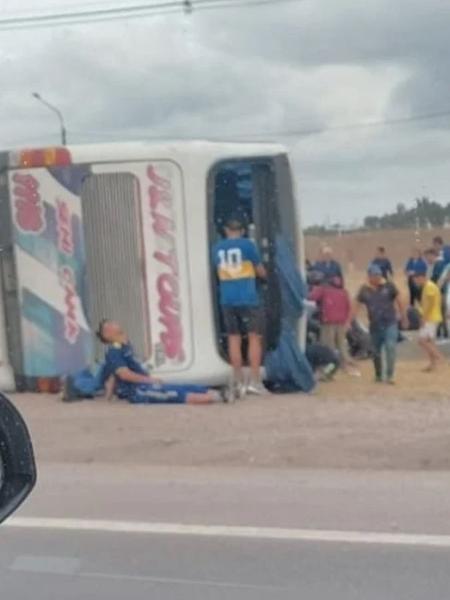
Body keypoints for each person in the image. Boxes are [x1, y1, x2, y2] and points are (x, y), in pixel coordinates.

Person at [95, 320, 226, 404]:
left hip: (145, 384)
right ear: (107, 335)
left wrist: (108, 396)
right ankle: (217, 398)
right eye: (111, 325)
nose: (116, 323)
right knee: (174, 394)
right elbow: (124, 374)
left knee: (182, 386)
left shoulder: (125, 345)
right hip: (137, 390)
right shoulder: (114, 350)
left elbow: (113, 374)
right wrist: (149, 380)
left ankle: (218, 393)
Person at [212, 217, 267, 398]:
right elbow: (260, 271)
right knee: (253, 338)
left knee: (233, 338)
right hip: (248, 298)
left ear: (226, 230)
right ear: (242, 230)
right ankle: (255, 381)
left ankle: (237, 380)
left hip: (227, 299)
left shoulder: (217, 248)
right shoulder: (248, 246)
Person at [353, 264, 406, 384]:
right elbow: (356, 304)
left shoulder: (389, 286)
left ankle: (390, 375)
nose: (377, 277)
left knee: (390, 347)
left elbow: (399, 299)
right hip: (375, 325)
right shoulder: (364, 290)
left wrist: (404, 316)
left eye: (378, 275)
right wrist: (350, 320)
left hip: (390, 322)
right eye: (374, 275)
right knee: (375, 351)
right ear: (369, 276)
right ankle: (378, 374)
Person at [308, 276, 358, 374]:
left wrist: (314, 290)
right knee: (341, 345)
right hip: (341, 321)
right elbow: (349, 307)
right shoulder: (344, 292)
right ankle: (345, 364)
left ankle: (329, 367)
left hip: (328, 321)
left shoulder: (324, 289)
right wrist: (347, 321)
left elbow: (311, 297)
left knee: (328, 345)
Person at [412, 266, 445, 371]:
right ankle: (433, 364)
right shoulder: (427, 286)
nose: (415, 282)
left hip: (430, 317)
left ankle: (440, 358)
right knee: (429, 341)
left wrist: (424, 318)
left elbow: (430, 304)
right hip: (432, 317)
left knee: (422, 340)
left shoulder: (429, 286)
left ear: (421, 277)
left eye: (416, 279)